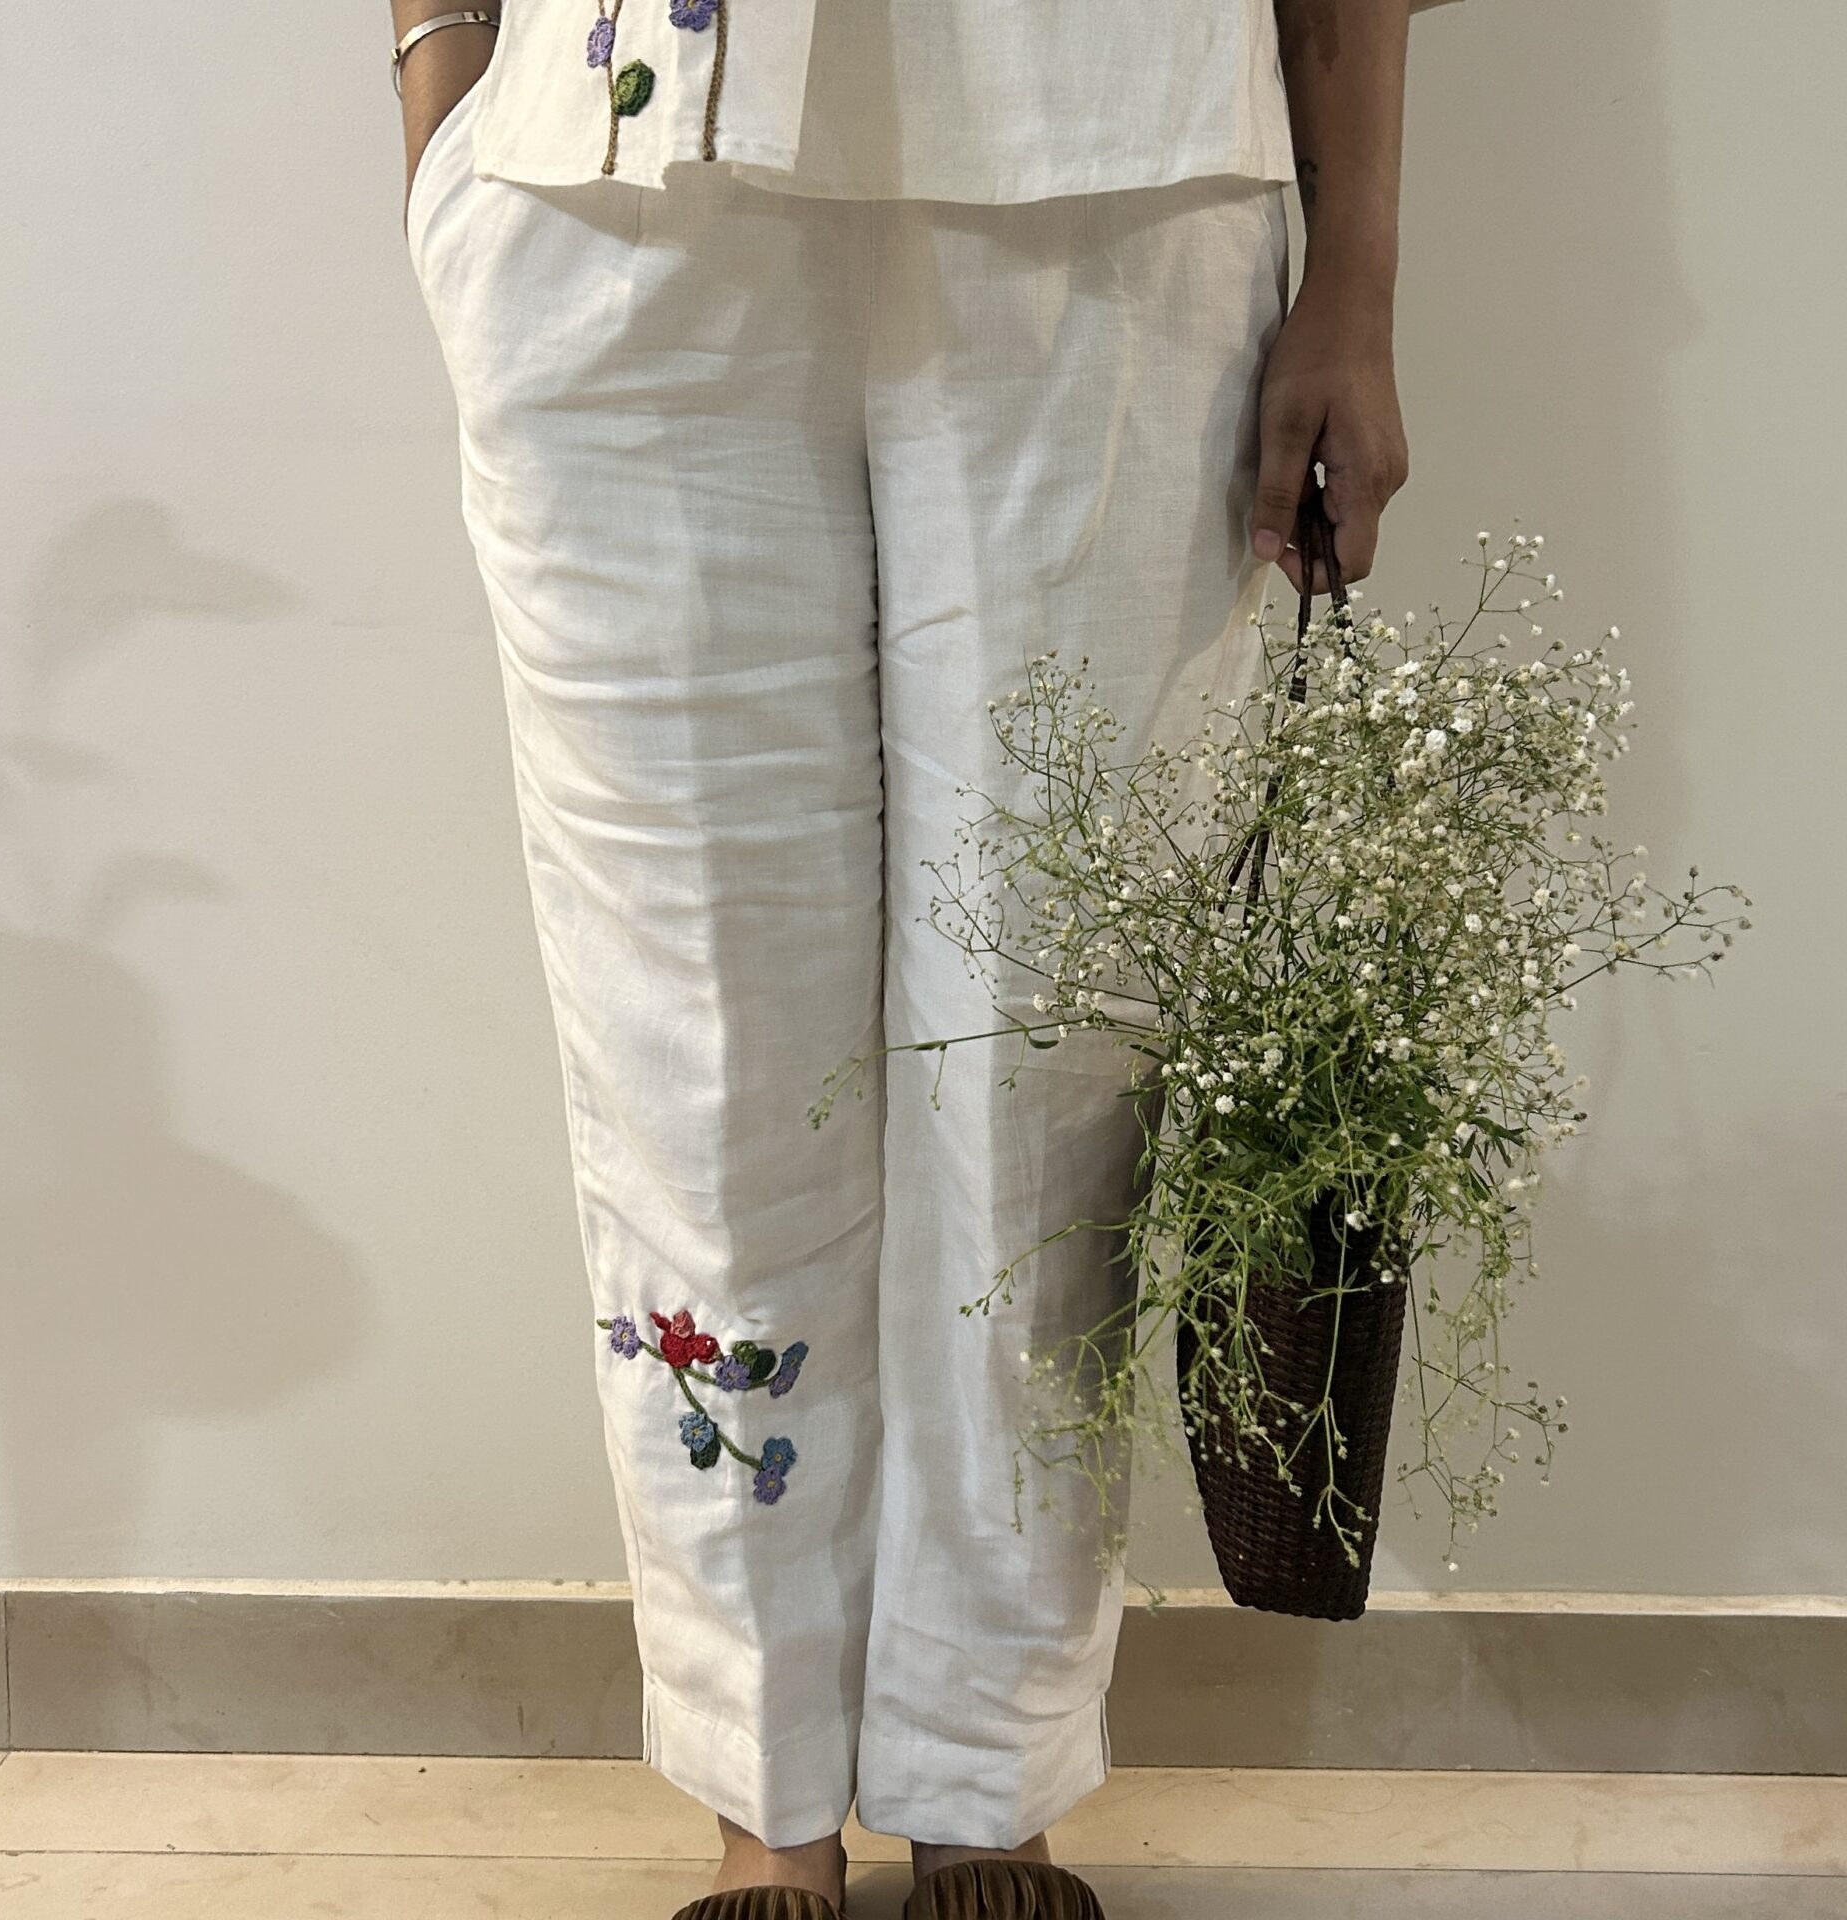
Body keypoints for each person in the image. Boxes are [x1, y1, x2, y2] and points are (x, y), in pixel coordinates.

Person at [390, 3, 1430, 1914]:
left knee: (1043, 1056)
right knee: (692, 1036)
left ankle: (986, 1772)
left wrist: (1355, 274)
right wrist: (443, 93)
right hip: (614, 172)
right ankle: (760, 1782)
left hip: (1118, 167)